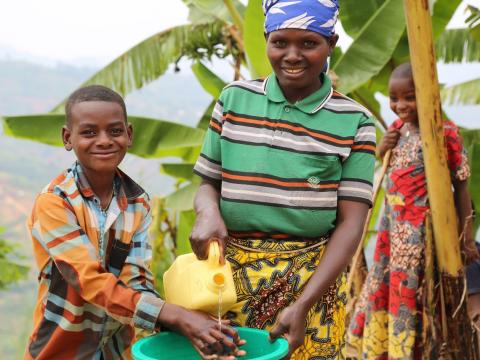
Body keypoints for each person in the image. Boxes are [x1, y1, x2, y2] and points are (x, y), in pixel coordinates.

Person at [189, 1, 377, 358]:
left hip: (309, 287)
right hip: (223, 281)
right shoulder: (234, 100)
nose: (293, 55)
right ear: (266, 40)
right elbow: (208, 184)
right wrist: (207, 213)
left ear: (331, 43)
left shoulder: (355, 121)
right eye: (280, 43)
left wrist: (304, 304)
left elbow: (352, 224)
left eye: (309, 43)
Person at [25, 85, 244, 360]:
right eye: (89, 132)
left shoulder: (137, 201)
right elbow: (88, 281)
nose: (104, 140)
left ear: (129, 134)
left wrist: (191, 324)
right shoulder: (55, 202)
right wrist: (174, 315)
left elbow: (135, 279)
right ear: (68, 138)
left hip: (117, 350)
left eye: (115, 131)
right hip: (60, 350)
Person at [345, 62, 479, 358]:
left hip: (422, 233)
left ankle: (412, 351)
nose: (400, 106)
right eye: (394, 99)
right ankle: (383, 348)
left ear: (429, 95)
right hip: (390, 229)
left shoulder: (446, 134)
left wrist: (466, 238)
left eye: (409, 97)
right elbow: (384, 166)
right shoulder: (397, 129)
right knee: (382, 287)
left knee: (414, 295)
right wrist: (383, 148)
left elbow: (463, 188)